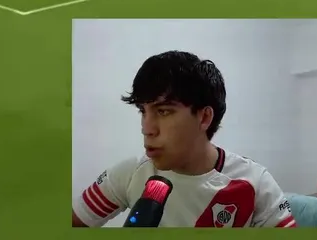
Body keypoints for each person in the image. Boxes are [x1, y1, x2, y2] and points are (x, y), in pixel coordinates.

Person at [71, 51, 297, 228]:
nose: (146, 129)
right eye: (143, 111)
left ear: (204, 117)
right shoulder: (131, 173)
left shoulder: (256, 183)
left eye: (163, 111)